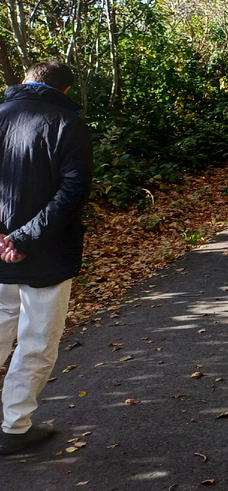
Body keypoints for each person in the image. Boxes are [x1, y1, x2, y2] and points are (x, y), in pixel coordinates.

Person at [0, 60, 92, 455]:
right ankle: (15, 428)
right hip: (46, 251)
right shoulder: (68, 124)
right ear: (66, 91)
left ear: (25, 79)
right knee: (37, 338)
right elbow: (72, 193)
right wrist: (24, 239)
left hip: (2, 248)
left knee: (1, 323)